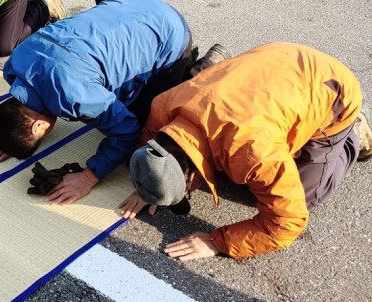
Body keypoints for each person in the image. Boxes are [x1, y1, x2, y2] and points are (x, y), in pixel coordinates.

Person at [120, 43, 372, 260]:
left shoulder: (253, 152)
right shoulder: (164, 105)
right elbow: (150, 138)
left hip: (332, 86)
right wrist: (151, 182)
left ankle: (355, 132)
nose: (188, 192)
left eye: (185, 190)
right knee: (231, 161)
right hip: (274, 58)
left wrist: (218, 242)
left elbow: (286, 223)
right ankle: (213, 64)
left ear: (191, 176)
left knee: (305, 195)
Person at [0, 0, 217, 205]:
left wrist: (89, 177)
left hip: (169, 34)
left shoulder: (75, 94)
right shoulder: (16, 63)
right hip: (130, 5)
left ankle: (204, 70)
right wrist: (12, 137)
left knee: (149, 125)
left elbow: (126, 130)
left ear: (38, 126)